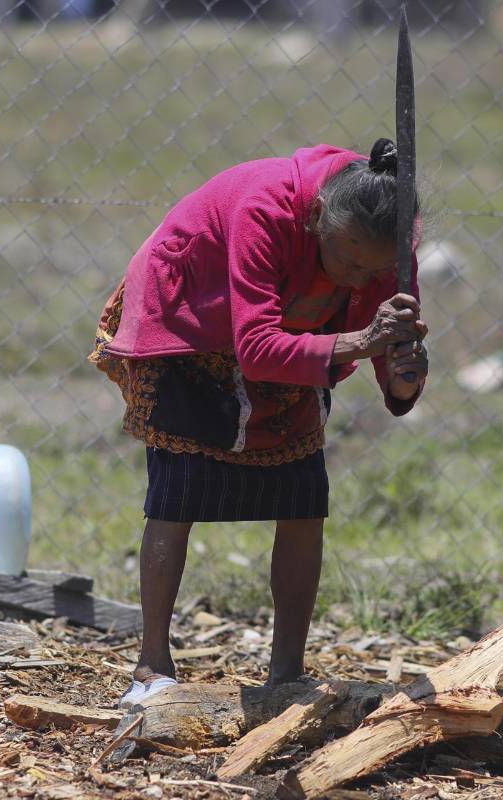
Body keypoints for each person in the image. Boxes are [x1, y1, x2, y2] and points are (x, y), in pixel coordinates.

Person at [89, 138, 429, 709]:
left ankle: (287, 672)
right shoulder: (266, 207)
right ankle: (151, 665)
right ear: (318, 217)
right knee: (177, 496)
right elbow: (256, 348)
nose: (355, 279)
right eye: (346, 260)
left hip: (300, 336)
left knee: (302, 499)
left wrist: (403, 374)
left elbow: (394, 355)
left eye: (370, 270)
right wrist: (360, 340)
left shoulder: (390, 250)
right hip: (192, 320)